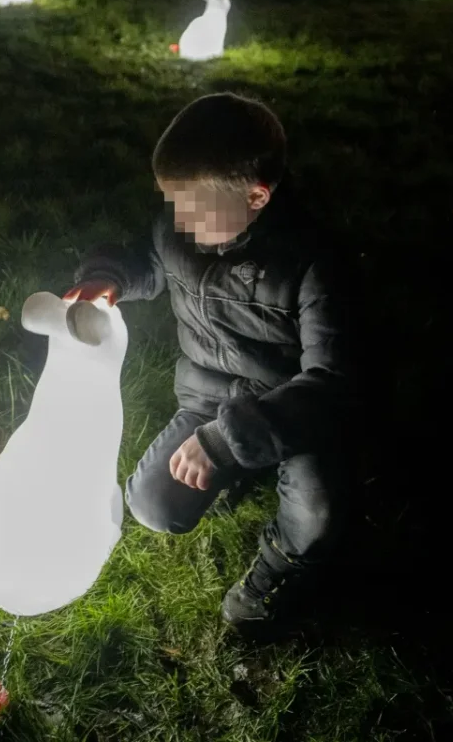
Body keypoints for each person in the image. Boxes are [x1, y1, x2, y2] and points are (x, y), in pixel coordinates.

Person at [66, 94, 353, 631]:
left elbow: (333, 383)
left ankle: (278, 571)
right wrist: (110, 277)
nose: (177, 219)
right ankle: (236, 472)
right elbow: (148, 263)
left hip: (294, 415)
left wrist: (223, 442)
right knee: (152, 505)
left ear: (257, 196)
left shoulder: (316, 261)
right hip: (210, 397)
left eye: (191, 206)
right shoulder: (181, 229)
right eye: (170, 201)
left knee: (316, 516)